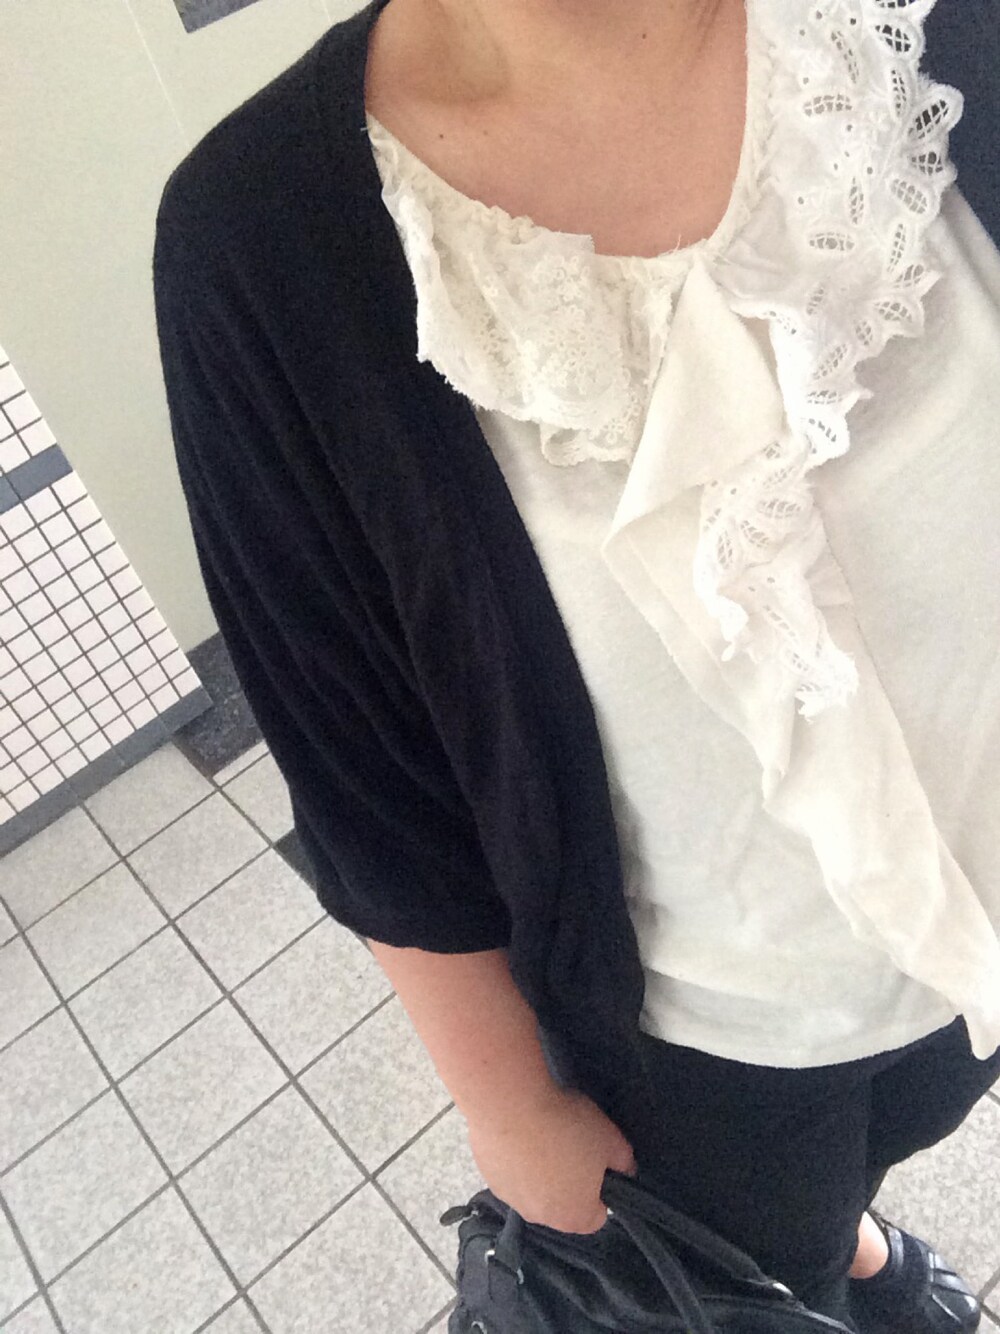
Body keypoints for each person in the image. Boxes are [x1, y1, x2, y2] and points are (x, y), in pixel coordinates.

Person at [152, 0, 1000, 1329]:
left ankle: (851, 1242)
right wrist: (509, 1107)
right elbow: (359, 764)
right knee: (762, 1248)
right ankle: (834, 1256)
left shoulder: (928, 31)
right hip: (706, 1047)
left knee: (901, 1130)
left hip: (976, 947)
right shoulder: (260, 239)